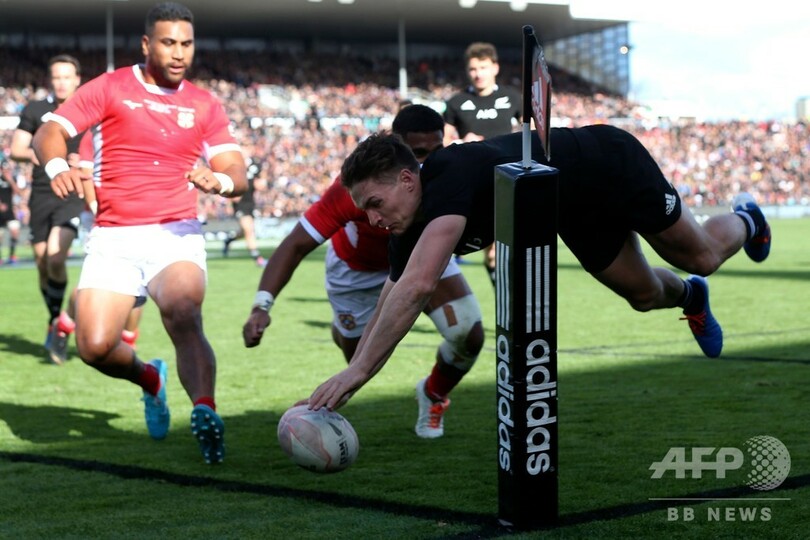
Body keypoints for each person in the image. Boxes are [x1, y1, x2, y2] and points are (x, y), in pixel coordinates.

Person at [307, 126, 771, 411]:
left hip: (608, 164)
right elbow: (392, 293)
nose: (372, 218)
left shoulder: (447, 176)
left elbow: (420, 285)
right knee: (644, 295)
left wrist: (358, 372)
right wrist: (352, 372)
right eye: (365, 209)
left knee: (700, 257)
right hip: (572, 210)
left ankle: (748, 219)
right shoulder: (405, 227)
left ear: (407, 179)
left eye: (375, 202)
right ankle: (691, 296)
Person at [32, 1, 248, 464]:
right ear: (147, 44)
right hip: (114, 236)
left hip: (175, 234)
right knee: (94, 346)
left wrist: (220, 180)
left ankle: (206, 411)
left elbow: (236, 171)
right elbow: (50, 131)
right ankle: (151, 380)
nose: (179, 53)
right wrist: (56, 166)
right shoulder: (111, 87)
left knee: (183, 312)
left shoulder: (204, 103)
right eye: (169, 43)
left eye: (187, 44)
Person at [243, 105, 484, 438]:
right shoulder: (355, 190)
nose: (427, 164)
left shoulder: (445, 179)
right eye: (418, 153)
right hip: (357, 275)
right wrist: (262, 305)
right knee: (360, 359)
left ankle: (433, 393)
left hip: (420, 258)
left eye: (436, 150)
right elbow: (295, 244)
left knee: (469, 334)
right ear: (398, 150)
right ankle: (342, 329)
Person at [9, 54, 85, 363]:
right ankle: (55, 321)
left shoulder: (88, 110)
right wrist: (47, 156)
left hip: (72, 193)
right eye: (57, 77)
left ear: (77, 80)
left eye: (67, 77)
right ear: (50, 80)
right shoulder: (35, 110)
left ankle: (61, 327)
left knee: (55, 255)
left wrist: (84, 162)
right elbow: (16, 149)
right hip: (41, 193)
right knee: (42, 262)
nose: (62, 82)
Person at [443, 42, 521, 284]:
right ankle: (504, 292)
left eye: (483, 67)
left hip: (507, 180)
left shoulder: (512, 98)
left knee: (501, 248)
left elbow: (533, 133)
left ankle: (509, 296)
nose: (478, 74)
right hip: (474, 183)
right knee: (491, 252)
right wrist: (461, 142)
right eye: (473, 69)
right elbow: (442, 142)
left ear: (495, 68)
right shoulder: (456, 102)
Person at [222, 156, 266, 267]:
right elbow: (229, 186)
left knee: (244, 232)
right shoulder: (235, 165)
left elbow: (260, 184)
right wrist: (229, 204)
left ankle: (228, 240)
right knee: (249, 230)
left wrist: (260, 180)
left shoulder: (254, 165)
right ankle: (257, 257)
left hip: (250, 203)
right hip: (240, 204)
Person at [0, 155, 22, 265]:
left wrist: (10, 181)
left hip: (10, 211)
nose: (6, 171)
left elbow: (18, 192)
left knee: (15, 232)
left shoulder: (12, 179)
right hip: (0, 212)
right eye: (4, 169)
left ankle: (12, 255)